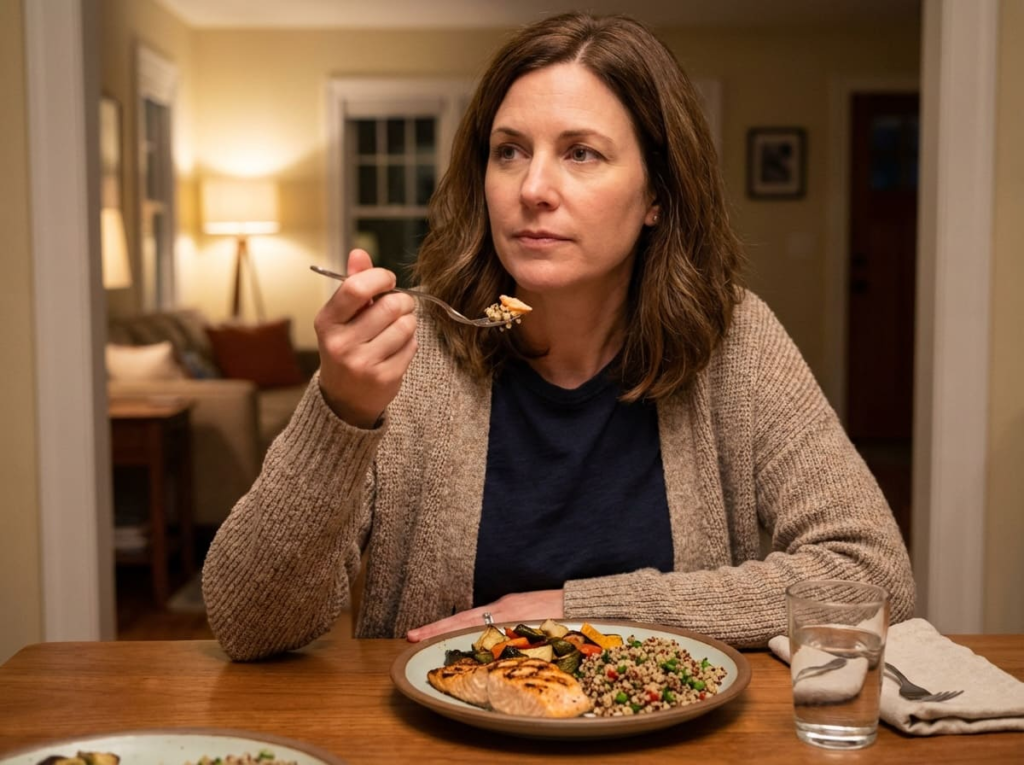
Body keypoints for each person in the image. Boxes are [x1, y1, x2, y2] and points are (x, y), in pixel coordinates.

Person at [202, 12, 914, 662]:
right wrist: (342, 412)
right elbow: (248, 623)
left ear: (657, 194)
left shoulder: (735, 341)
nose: (532, 188)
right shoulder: (414, 351)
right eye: (509, 151)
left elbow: (872, 576)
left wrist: (577, 613)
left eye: (581, 154)